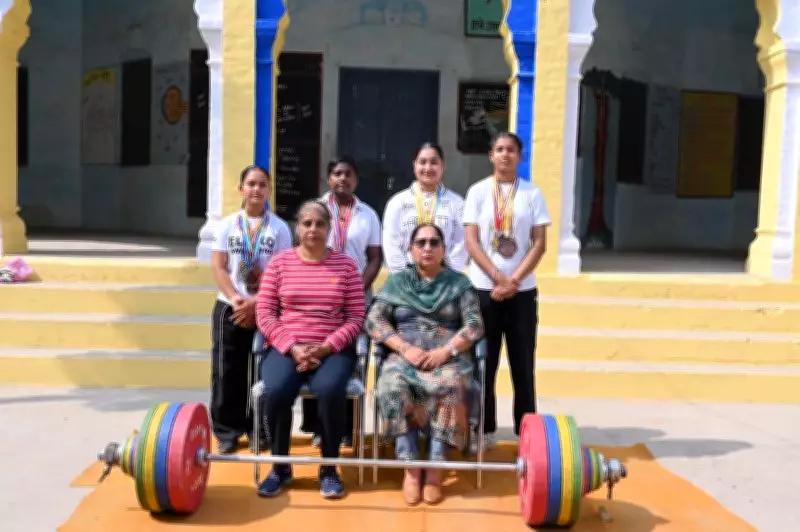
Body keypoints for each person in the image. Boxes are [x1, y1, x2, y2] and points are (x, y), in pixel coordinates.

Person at [366, 224, 484, 506]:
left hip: (448, 357)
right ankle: (410, 468)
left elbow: (475, 324)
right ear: (411, 249)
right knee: (393, 384)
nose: (428, 248)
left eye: (434, 242)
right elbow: (374, 319)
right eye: (421, 243)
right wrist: (404, 348)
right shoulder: (397, 282)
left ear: (444, 249)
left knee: (451, 386)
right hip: (405, 355)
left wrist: (447, 350)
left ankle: (434, 468)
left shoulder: (459, 284)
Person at [255, 199, 366, 499]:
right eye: (307, 223)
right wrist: (293, 348)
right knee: (276, 391)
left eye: (320, 223)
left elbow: (356, 316)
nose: (313, 229)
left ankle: (329, 468)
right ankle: (280, 467)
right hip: (285, 347)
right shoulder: (279, 264)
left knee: (330, 390)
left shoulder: (345, 266)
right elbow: (265, 314)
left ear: (330, 229)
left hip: (331, 350)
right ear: (297, 227)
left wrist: (327, 348)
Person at [462, 132, 550, 450]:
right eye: (499, 150)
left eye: (511, 150)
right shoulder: (477, 192)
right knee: (483, 361)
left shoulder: (532, 193)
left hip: (522, 292)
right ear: (490, 155)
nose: (505, 155)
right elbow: (472, 242)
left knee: (522, 363)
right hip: (485, 289)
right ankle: (484, 429)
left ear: (520, 156)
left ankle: (526, 432)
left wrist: (513, 281)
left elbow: (539, 244)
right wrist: (499, 277)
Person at [209, 164, 293, 453]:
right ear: (241, 188)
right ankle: (227, 431)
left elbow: (283, 271)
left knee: (264, 372)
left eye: (262, 184)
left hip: (267, 308)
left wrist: (258, 303)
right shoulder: (227, 226)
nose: (256, 189)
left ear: (269, 190)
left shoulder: (279, 228)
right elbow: (219, 267)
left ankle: (260, 430)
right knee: (227, 371)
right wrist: (235, 299)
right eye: (251, 184)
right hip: (229, 307)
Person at [301, 156, 383, 448]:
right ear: (328, 179)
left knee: (350, 362)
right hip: (318, 297)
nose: (343, 179)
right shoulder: (315, 210)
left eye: (349, 174)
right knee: (315, 354)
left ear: (356, 180)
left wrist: (355, 288)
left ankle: (347, 428)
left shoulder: (368, 214)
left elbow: (375, 258)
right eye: (337, 173)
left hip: (357, 298)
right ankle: (317, 427)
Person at [382, 143, 467, 273]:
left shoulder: (457, 203)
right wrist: (405, 278)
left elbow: (461, 243)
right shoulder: (397, 202)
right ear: (414, 165)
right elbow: (391, 244)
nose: (428, 167)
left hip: (445, 282)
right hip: (407, 283)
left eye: (434, 162)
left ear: (442, 166)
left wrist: (447, 277)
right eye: (422, 162)